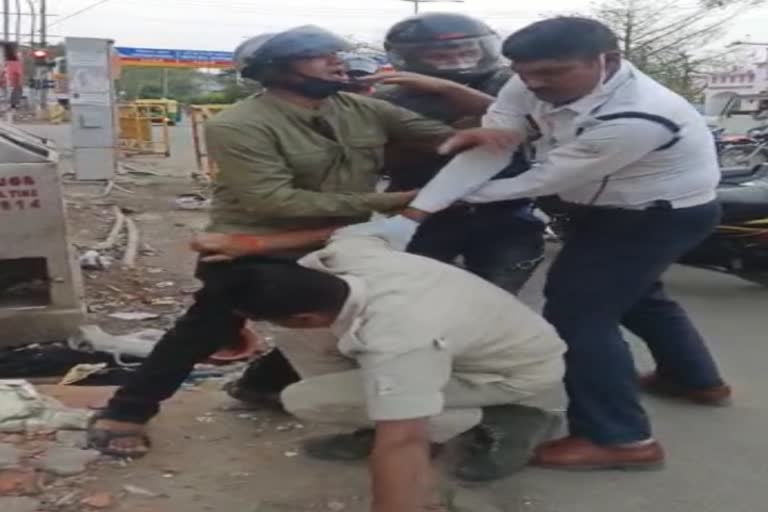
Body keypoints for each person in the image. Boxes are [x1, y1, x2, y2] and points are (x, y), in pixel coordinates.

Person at [355, 17, 731, 470]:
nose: (533, 84)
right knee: (637, 295)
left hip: (654, 216)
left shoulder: (636, 116)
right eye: (524, 72)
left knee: (579, 315)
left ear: (606, 61)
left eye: (551, 73)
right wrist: (420, 212)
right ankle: (694, 380)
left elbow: (539, 179)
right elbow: (493, 149)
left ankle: (620, 439)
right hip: (610, 206)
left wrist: (430, 204)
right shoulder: (530, 81)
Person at [86, 25, 455, 458]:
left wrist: (446, 89)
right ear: (274, 70)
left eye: (336, 53)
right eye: (318, 56)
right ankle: (126, 411)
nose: (337, 62)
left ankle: (265, 385)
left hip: (345, 237)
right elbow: (275, 201)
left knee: (356, 317)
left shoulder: (362, 109)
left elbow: (462, 137)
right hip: (256, 240)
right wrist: (398, 201)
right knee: (211, 324)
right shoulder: (237, 125)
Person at [198, 227, 565, 492]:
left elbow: (403, 442)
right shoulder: (338, 258)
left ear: (305, 313)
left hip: (509, 372)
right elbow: (355, 227)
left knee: (306, 400)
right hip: (483, 340)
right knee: (297, 339)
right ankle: (378, 413)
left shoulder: (399, 337)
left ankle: (507, 418)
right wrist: (252, 245)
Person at [371, 12, 546, 293]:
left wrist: (449, 89)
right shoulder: (389, 98)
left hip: (506, 211)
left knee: (497, 297)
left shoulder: (511, 84)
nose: (456, 61)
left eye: (466, 52)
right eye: (441, 56)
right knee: (412, 294)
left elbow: (533, 123)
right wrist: (439, 139)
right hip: (422, 211)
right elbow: (376, 157)